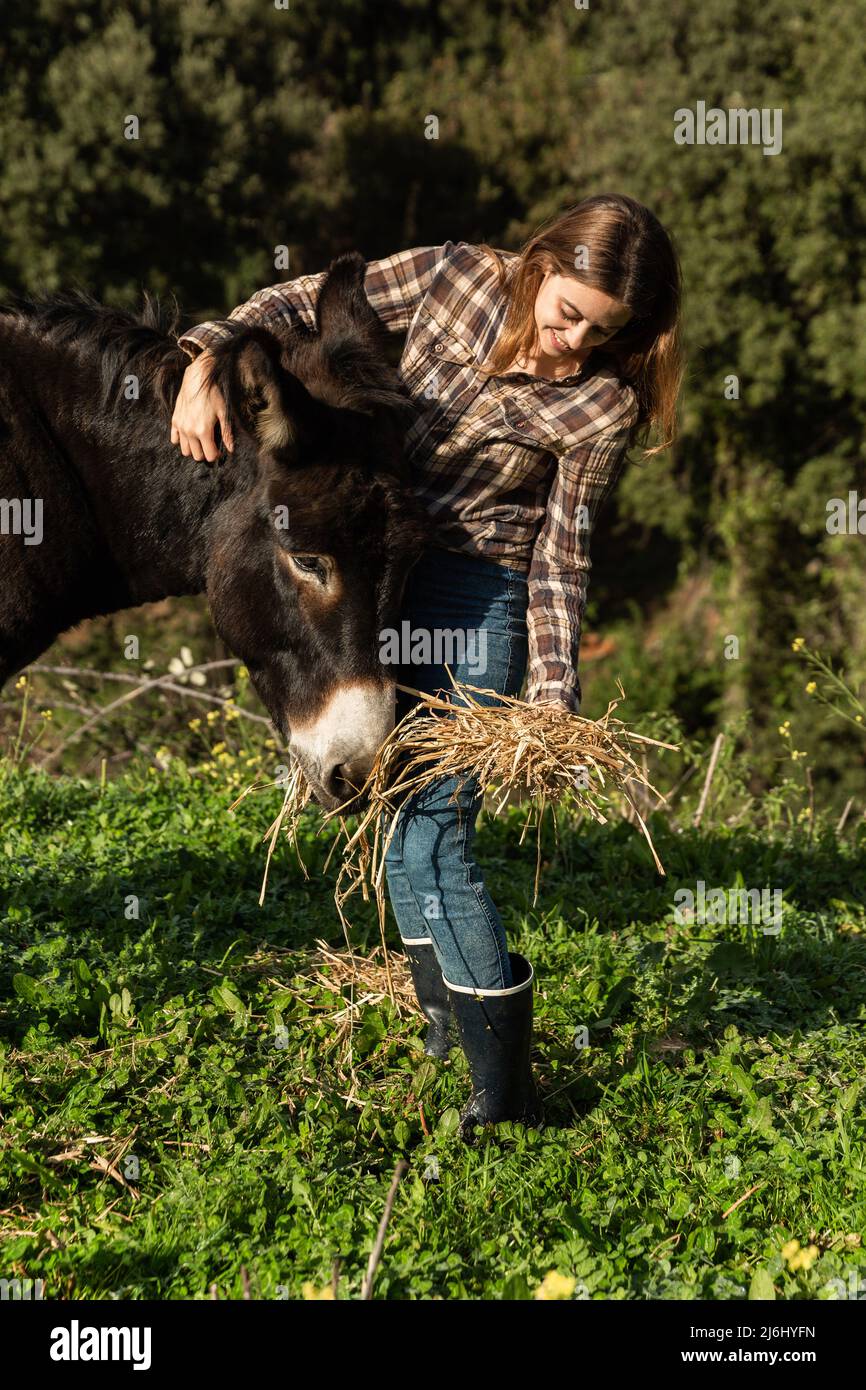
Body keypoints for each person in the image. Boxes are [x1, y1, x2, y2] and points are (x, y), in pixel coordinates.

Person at [171, 192, 684, 1140]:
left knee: (435, 833)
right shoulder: (454, 275)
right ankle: (445, 1032)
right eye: (569, 312)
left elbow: (561, 559)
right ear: (540, 264)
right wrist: (206, 359)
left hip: (477, 598)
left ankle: (508, 1103)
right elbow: (291, 302)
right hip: (382, 573)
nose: (574, 344)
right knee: (392, 809)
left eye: (604, 335)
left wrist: (553, 696)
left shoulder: (600, 406)